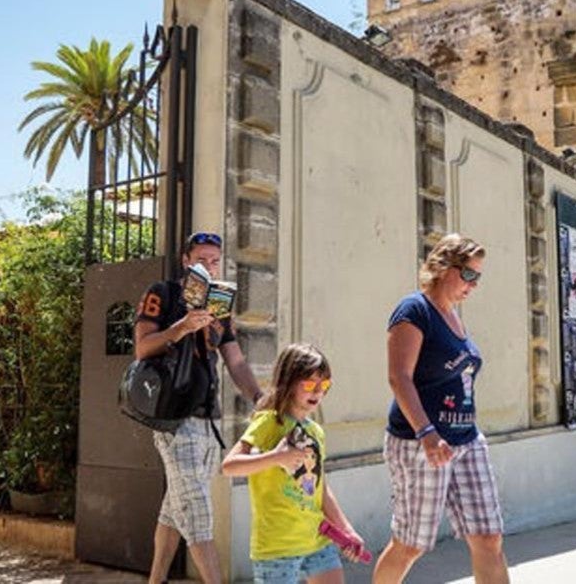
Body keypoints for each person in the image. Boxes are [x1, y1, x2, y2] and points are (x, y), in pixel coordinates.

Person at [372, 234, 509, 584]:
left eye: (478, 277)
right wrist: (427, 434)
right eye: (468, 274)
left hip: (466, 440)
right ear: (443, 267)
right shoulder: (414, 310)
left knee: (489, 537)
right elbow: (399, 377)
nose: (473, 285)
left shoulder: (455, 318)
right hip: (420, 442)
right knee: (411, 544)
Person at [135, 231, 265, 584]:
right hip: (174, 420)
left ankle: (155, 580)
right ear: (185, 261)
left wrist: (258, 397)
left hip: (208, 421)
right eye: (201, 260)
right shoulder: (161, 294)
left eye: (214, 261)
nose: (208, 266)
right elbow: (143, 349)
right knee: (199, 518)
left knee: (175, 511)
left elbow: (235, 362)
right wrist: (181, 327)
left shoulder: (219, 304)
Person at [221, 343, 366, 584]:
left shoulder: (316, 431)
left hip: (317, 539)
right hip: (277, 547)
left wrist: (346, 529)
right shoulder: (269, 423)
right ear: (289, 382)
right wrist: (276, 457)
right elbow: (229, 466)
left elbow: (322, 489)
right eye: (310, 384)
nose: (318, 392)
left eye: (324, 385)